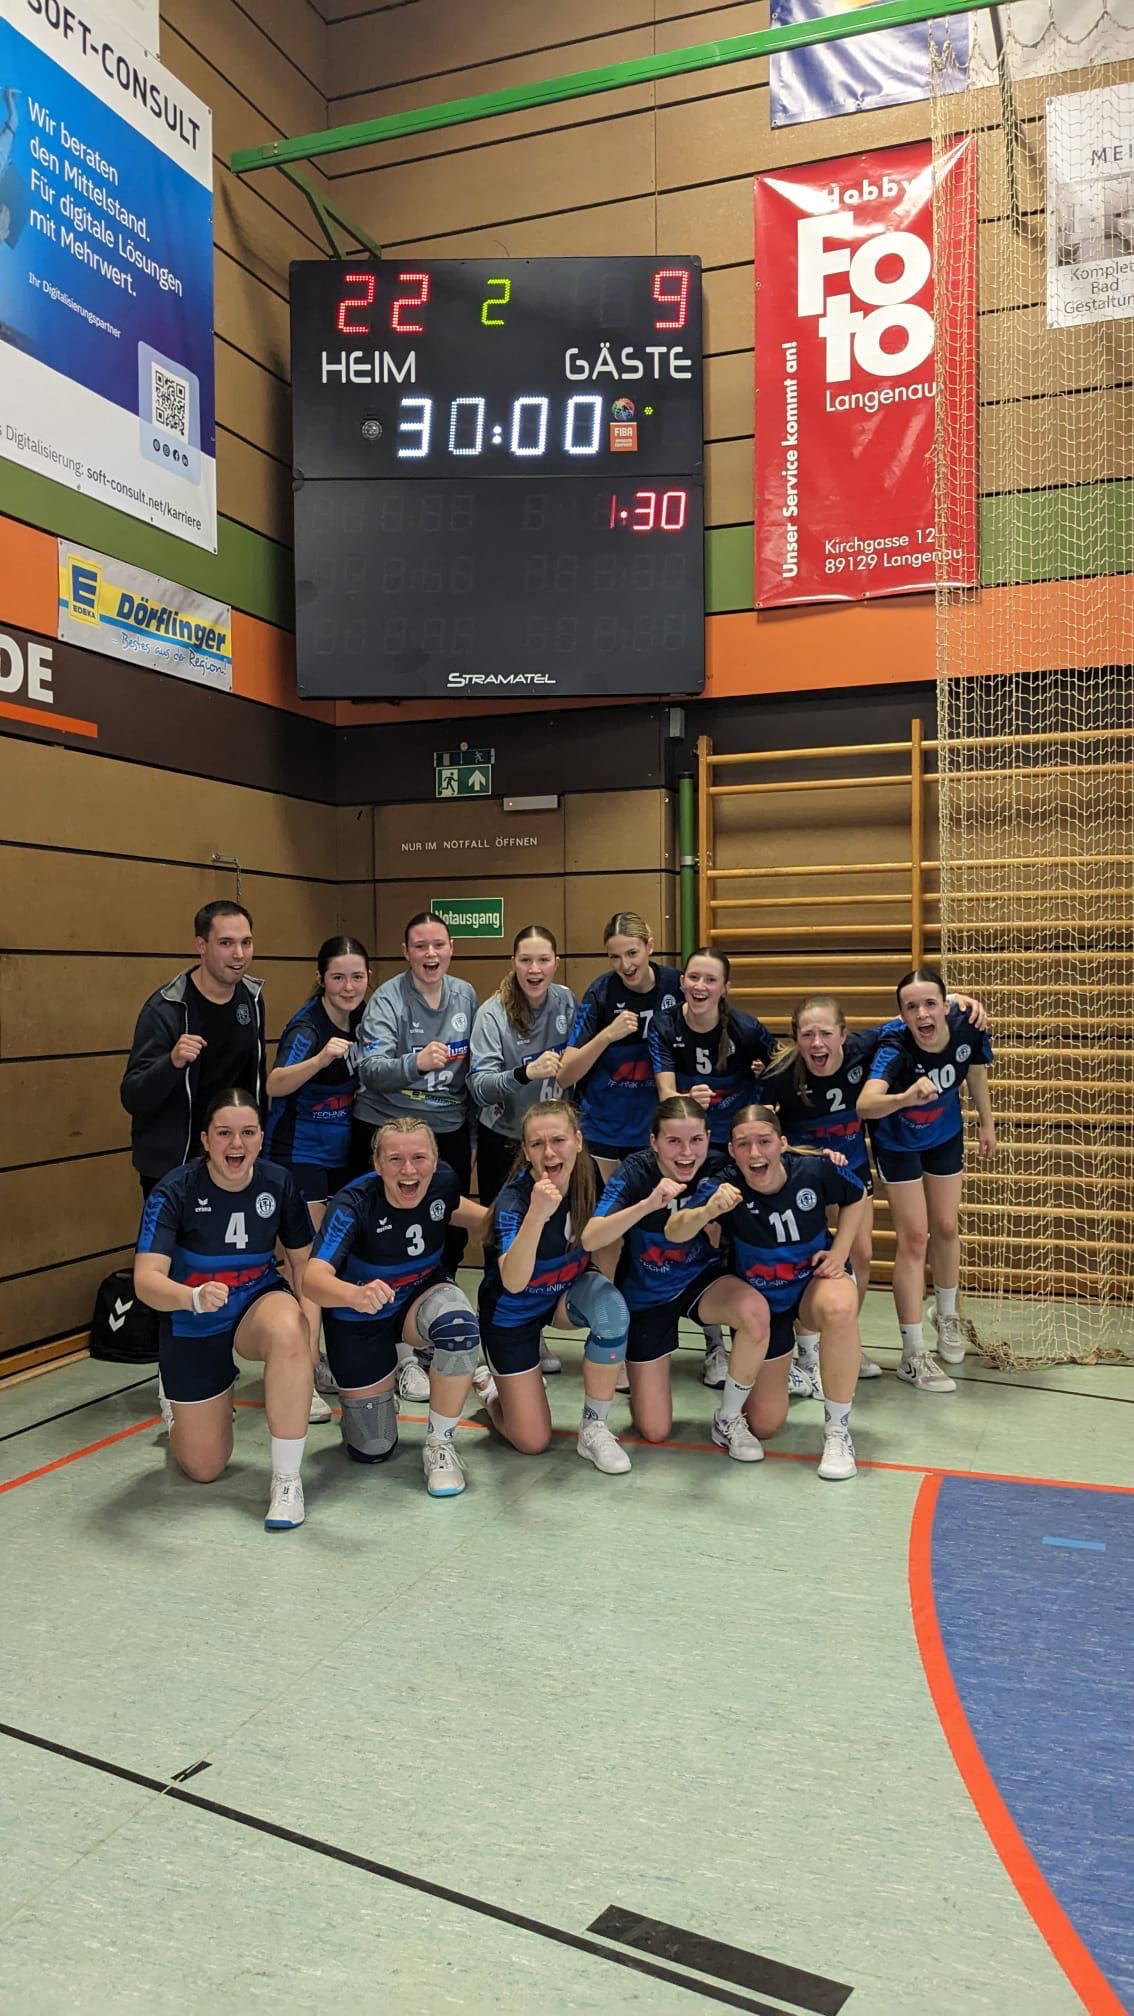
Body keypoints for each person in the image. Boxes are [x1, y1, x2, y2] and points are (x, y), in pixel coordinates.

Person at [133, 1089, 315, 1531]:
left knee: (289, 1330)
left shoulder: (278, 1182)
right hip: (193, 1315)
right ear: (205, 1140)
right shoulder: (175, 1190)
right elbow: (146, 1280)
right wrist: (191, 1297)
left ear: (261, 1137)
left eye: (248, 1133)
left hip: (255, 1301)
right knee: (204, 1467)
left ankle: (287, 1482)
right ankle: (178, 1402)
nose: (237, 1144)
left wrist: (308, 1344)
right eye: (224, 1133)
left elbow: (304, 1267)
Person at [667, 1105, 870, 1480]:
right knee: (764, 1424)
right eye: (743, 1144)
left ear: (782, 1144)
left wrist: (841, 1251)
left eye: (764, 1141)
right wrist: (706, 1210)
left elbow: (856, 1193)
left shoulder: (813, 1170)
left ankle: (837, 1433)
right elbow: (674, 1230)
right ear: (732, 1150)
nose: (755, 1152)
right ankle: (752, 1398)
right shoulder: (724, 1184)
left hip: (810, 1288)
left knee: (841, 1307)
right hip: (765, 1305)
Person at [303, 1119, 491, 1498]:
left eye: (419, 1157)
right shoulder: (353, 1204)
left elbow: (451, 1207)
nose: (408, 1169)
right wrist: (353, 1295)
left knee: (459, 1326)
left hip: (417, 1295)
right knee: (372, 1449)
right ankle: (372, 1396)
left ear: (435, 1160)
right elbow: (311, 1279)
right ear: (377, 1164)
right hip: (359, 1316)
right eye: (395, 1159)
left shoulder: (443, 1181)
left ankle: (440, 1444)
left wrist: (503, 1220)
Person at [581, 1095, 772, 1452]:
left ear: (708, 1138)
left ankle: (729, 1418)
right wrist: (647, 1205)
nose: (686, 1152)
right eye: (673, 1141)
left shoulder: (719, 1167)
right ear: (654, 1142)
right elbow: (591, 1237)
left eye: (696, 1140)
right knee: (654, 1430)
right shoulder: (635, 1172)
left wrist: (826, 1158)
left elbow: (777, 1165)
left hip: (701, 1282)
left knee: (755, 1311)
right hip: (646, 1294)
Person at [352, 911, 477, 1399]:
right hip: (392, 1128)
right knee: (389, 1240)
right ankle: (400, 1353)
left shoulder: (465, 995)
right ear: (406, 952)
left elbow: (471, 1071)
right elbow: (370, 1069)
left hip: (446, 1130)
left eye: (439, 945)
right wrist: (415, 1062)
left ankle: (434, 1332)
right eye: (420, 946)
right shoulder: (388, 1000)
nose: (430, 954)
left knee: (447, 1234)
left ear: (451, 948)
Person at [856, 968, 996, 1393]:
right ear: (901, 1015)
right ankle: (912, 1353)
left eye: (930, 1003)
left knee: (947, 1226)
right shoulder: (894, 1047)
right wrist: (904, 1098)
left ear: (945, 1006)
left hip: (944, 1135)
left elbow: (975, 1072)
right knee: (915, 1238)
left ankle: (947, 1314)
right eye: (911, 1007)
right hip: (898, 1144)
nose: (922, 1014)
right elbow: (865, 1104)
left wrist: (987, 1123)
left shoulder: (967, 1025)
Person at [478, 1100, 634, 1475]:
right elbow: (513, 1281)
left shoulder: (587, 1175)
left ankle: (594, 1428)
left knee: (612, 1310)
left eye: (559, 1140)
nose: (549, 1153)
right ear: (526, 1150)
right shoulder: (515, 1200)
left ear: (578, 1140)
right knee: (532, 1441)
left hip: (562, 1294)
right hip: (512, 1314)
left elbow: (602, 1240)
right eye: (537, 1144)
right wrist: (536, 1215)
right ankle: (492, 1391)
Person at [649, 946, 777, 1389]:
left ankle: (766, 1339)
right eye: (693, 978)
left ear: (725, 987)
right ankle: (713, 1345)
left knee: (736, 1237)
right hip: (691, 1149)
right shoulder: (665, 1025)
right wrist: (687, 1099)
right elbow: (665, 1092)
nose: (700, 986)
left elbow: (782, 1063)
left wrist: (762, 1084)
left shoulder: (745, 1028)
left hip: (737, 1147)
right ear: (682, 981)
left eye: (710, 980)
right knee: (700, 1233)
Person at [264, 935, 372, 1422]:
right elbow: (275, 1082)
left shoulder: (366, 1018)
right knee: (306, 1265)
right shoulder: (308, 1027)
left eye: (357, 977)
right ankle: (301, 1378)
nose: (348, 986)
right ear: (321, 979)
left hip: (342, 1156)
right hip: (298, 1153)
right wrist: (320, 1060)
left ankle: (317, 1356)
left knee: (335, 1261)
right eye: (338, 977)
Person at [469, 924, 576, 1377]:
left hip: (553, 1140)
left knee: (550, 1237)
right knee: (505, 1239)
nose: (535, 969)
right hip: (506, 1138)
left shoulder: (566, 1001)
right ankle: (502, 1332)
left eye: (543, 960)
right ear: (513, 963)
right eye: (526, 960)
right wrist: (525, 1073)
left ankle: (537, 1326)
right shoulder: (492, 1014)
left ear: (555, 963)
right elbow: (478, 1085)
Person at [121, 901, 264, 1199]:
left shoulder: (251, 999)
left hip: (232, 1159)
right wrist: (172, 1062)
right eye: (226, 943)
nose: (239, 954)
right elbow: (133, 1096)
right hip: (174, 1166)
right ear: (201, 945)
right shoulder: (166, 1009)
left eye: (246, 942)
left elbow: (256, 1082)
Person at [558, 911, 681, 1181]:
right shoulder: (601, 992)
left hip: (654, 1130)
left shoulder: (676, 986)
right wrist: (607, 1036)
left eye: (632, 953)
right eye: (615, 957)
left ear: (650, 946)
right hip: (603, 1130)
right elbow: (565, 1075)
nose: (625, 965)